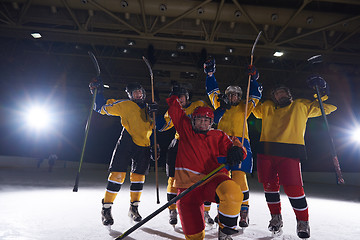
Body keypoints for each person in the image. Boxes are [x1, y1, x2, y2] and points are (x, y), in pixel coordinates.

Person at [252, 76, 337, 239]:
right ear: (273, 97)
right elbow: (253, 110)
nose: (280, 95)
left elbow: (329, 107)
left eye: (283, 92)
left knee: (294, 189)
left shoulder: (300, 105)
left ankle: (302, 222)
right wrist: (255, 87)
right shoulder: (267, 107)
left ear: (289, 94)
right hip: (266, 152)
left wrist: (323, 90)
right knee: (270, 188)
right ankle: (276, 218)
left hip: (290, 153)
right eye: (277, 93)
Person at [166, 93, 247, 240]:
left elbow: (238, 148)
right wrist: (174, 97)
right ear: (193, 121)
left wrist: (238, 150)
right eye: (199, 120)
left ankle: (226, 230)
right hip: (187, 189)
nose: (203, 123)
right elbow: (175, 110)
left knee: (232, 192)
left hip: (213, 181)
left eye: (206, 120)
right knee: (195, 236)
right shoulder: (185, 131)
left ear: (211, 123)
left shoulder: (218, 135)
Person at [89, 80, 158, 226]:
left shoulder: (150, 108)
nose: (138, 94)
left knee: (138, 178)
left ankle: (134, 208)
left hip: (144, 145)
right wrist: (98, 93)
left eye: (140, 91)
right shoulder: (125, 105)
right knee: (117, 176)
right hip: (127, 141)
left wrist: (154, 143)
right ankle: (106, 209)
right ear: (130, 96)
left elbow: (153, 129)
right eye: (134, 93)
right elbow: (100, 108)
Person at [204, 58, 262, 228]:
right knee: (219, 178)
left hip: (242, 143)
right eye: (230, 94)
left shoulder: (245, 107)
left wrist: (255, 77)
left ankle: (244, 211)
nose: (232, 97)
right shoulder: (219, 104)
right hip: (221, 143)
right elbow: (211, 89)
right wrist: (210, 74)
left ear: (240, 96)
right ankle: (218, 210)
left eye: (236, 94)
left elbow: (256, 94)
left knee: (239, 177)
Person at [156, 82, 215, 225]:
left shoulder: (199, 104)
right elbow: (162, 126)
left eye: (181, 96)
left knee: (204, 178)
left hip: (198, 144)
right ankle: (172, 210)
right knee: (173, 179)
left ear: (187, 97)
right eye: (176, 97)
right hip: (179, 144)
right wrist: (155, 114)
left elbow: (212, 118)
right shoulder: (174, 109)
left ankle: (205, 211)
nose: (179, 99)